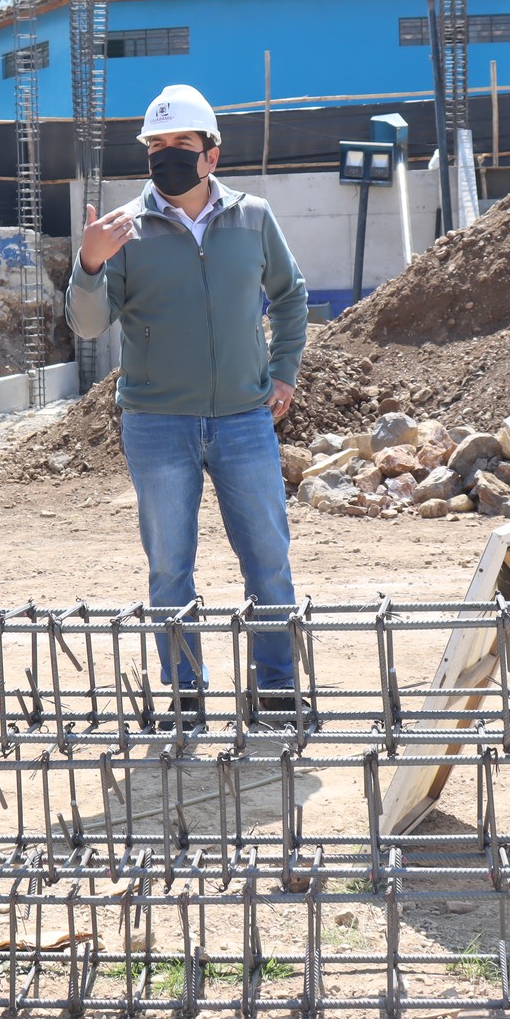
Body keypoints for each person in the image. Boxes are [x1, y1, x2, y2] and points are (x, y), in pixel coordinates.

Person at [66, 84, 309, 718]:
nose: (167, 155)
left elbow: (290, 294)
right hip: (156, 424)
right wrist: (88, 265)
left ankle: (278, 690)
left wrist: (283, 371)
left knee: (268, 561)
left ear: (212, 155)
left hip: (244, 421)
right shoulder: (121, 230)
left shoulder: (254, 217)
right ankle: (187, 694)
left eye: (181, 144)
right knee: (170, 569)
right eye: (157, 145)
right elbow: (89, 326)